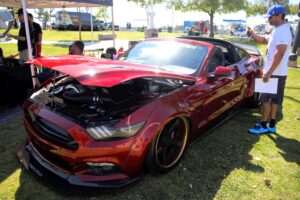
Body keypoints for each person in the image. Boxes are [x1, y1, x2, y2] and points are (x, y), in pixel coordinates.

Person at [247, 5, 292, 134]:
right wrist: (252, 34)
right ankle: (271, 125)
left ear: (279, 16)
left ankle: (262, 125)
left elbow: (280, 52)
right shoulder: (278, 29)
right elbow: (264, 40)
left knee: (264, 100)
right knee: (275, 100)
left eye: (270, 17)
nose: (269, 20)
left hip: (273, 73)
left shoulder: (282, 30)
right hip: (279, 73)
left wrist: (269, 73)